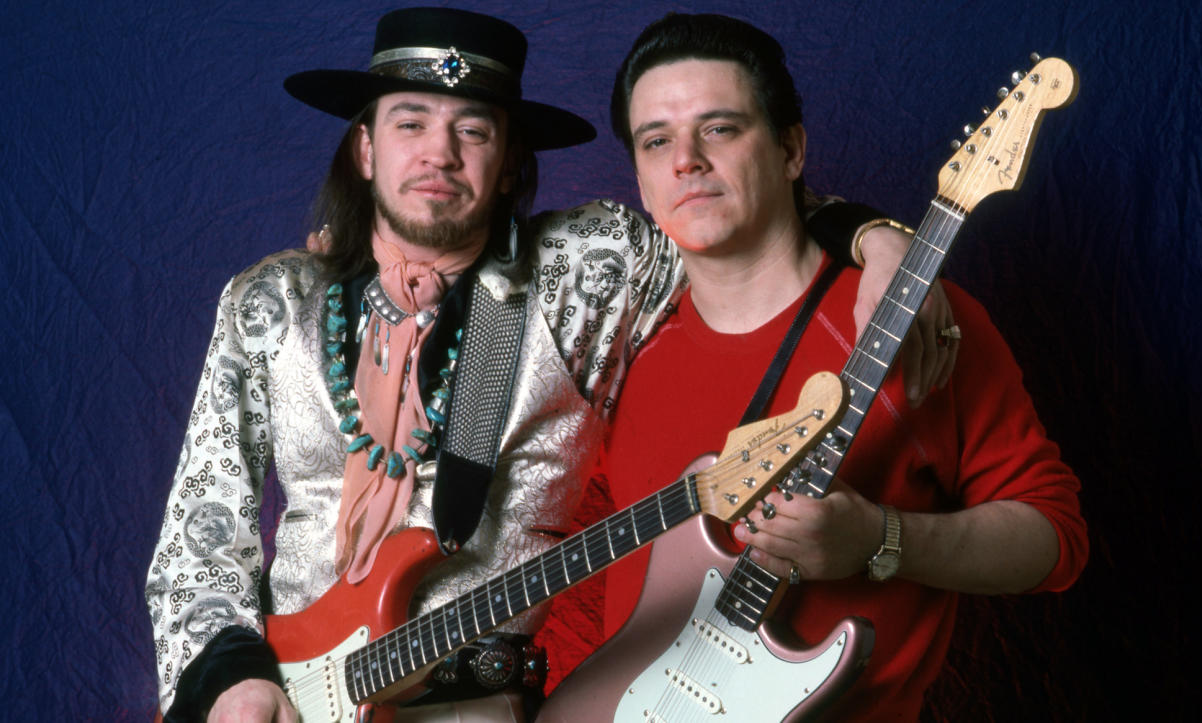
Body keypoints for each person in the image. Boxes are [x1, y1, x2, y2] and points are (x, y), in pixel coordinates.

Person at [144, 8, 949, 722]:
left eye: (473, 129)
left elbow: (727, 206)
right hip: (279, 697)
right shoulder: (273, 301)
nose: (440, 153)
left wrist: (873, 236)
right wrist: (231, 685)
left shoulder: (586, 269)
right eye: (410, 122)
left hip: (475, 703)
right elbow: (198, 534)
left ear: (508, 159)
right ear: (363, 147)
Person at [562, 13, 1088, 721]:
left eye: (719, 128)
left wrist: (880, 537)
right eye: (656, 141)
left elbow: (1053, 539)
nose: (685, 159)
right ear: (642, 178)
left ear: (789, 150)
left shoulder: (915, 321)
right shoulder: (617, 354)